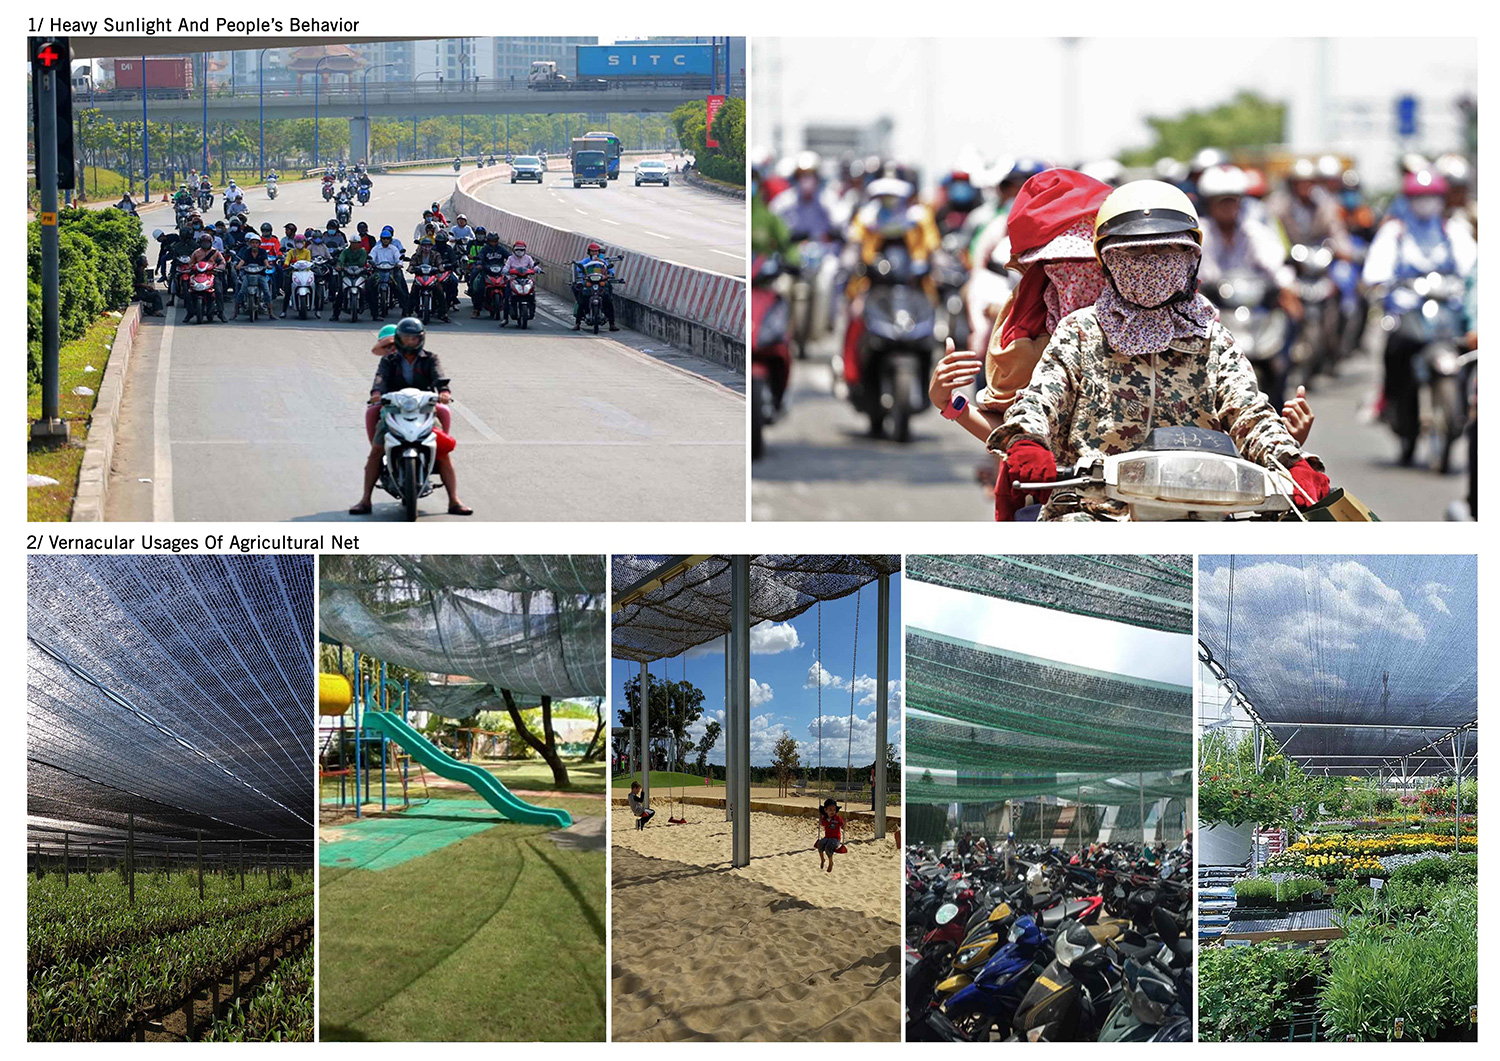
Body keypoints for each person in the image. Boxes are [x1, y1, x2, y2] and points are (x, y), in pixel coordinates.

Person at [987, 179, 1330, 521]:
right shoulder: (1080, 331)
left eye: (1165, 250)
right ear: (1106, 261)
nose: (1150, 263)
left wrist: (1292, 462)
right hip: (1092, 513)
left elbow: (1250, 414)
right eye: (1133, 252)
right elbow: (1039, 401)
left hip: (1201, 510)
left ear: (1190, 257)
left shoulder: (1212, 338)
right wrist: (1026, 441)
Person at [349, 317, 471, 516]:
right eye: (405, 338)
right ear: (398, 339)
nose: (409, 342)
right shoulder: (388, 361)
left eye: (414, 339)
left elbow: (440, 378)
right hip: (393, 411)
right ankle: (365, 500)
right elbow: (380, 380)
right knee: (377, 450)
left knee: (444, 453)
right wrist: (376, 394)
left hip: (424, 411)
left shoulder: (431, 358)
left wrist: (444, 392)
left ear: (421, 339)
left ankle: (454, 500)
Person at [571, 241, 618, 331]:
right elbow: (579, 268)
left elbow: (611, 271)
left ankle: (612, 324)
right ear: (589, 252)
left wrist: (605, 268)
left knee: (608, 301)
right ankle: (577, 323)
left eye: (596, 251)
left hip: (600, 283)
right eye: (592, 251)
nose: (594, 253)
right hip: (588, 283)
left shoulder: (603, 262)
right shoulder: (585, 261)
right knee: (582, 301)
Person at [405, 237, 452, 321]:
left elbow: (439, 263)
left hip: (432, 277)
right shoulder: (417, 255)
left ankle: (443, 313)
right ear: (421, 247)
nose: (427, 248)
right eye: (424, 246)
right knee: (413, 293)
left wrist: (441, 269)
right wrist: (410, 268)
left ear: (431, 247)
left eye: (429, 246)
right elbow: (412, 264)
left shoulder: (436, 254)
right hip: (420, 277)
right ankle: (408, 311)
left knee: (440, 292)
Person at [185, 233, 228, 323]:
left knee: (219, 291)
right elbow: (190, 263)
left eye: (207, 242)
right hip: (197, 275)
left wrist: (219, 268)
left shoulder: (215, 252)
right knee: (188, 292)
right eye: (203, 242)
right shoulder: (196, 252)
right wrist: (190, 268)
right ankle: (189, 312)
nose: (205, 244)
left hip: (211, 274)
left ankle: (221, 312)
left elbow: (222, 262)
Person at [233, 237, 277, 319]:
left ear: (259, 244)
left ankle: (271, 313)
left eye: (256, 243)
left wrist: (267, 266)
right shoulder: (247, 252)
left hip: (260, 274)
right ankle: (235, 312)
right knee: (241, 291)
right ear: (250, 244)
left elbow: (265, 260)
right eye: (253, 243)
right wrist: (239, 266)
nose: (254, 244)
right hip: (248, 274)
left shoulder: (262, 252)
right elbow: (243, 260)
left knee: (267, 291)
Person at [469, 231, 511, 314]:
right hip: (487, 271)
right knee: (479, 288)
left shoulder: (501, 249)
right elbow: (480, 257)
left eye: (495, 241)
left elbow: (509, 257)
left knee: (509, 287)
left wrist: (513, 263)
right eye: (491, 241)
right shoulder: (484, 249)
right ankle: (476, 309)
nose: (493, 243)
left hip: (499, 272)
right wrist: (479, 264)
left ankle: (510, 307)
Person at [369, 227, 407, 318]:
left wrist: (399, 264)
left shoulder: (394, 249)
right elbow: (371, 256)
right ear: (381, 239)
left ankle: (406, 309)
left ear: (390, 239)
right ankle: (374, 312)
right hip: (379, 271)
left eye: (387, 239)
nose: (385, 240)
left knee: (398, 287)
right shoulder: (376, 248)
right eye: (384, 239)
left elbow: (398, 258)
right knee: (370, 286)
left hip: (391, 271)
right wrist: (371, 262)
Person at [330, 237, 370, 321]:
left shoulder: (362, 252)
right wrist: (339, 266)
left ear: (360, 243)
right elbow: (341, 260)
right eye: (353, 243)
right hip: (347, 274)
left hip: (360, 274)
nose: (355, 245)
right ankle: (335, 314)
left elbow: (361, 262)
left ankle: (375, 314)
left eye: (357, 243)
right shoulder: (345, 252)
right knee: (340, 293)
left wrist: (364, 267)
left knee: (370, 292)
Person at [498, 239, 537, 325]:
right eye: (517, 250)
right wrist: (504, 271)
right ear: (514, 250)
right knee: (507, 297)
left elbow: (533, 266)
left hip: (526, 280)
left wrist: (537, 269)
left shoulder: (528, 258)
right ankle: (505, 318)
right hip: (513, 279)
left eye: (522, 250)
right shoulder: (510, 258)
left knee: (532, 294)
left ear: (525, 250)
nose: (519, 252)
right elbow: (506, 267)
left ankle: (532, 309)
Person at [280, 234, 313, 314]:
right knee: (288, 291)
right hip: (294, 272)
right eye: (297, 242)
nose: (299, 243)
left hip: (306, 273)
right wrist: (286, 264)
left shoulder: (307, 252)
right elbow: (287, 260)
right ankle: (284, 311)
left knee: (314, 287)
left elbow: (308, 261)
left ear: (305, 242)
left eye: (301, 242)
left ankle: (317, 309)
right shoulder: (292, 252)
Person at [816, 799, 844, 873]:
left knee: (828, 847)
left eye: (834, 810)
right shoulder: (825, 819)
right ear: (825, 810)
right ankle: (822, 859)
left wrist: (845, 824)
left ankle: (830, 862)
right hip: (827, 837)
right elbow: (822, 824)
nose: (832, 811)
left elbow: (843, 825)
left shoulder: (837, 818)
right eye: (830, 810)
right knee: (820, 844)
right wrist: (820, 816)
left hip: (835, 839)